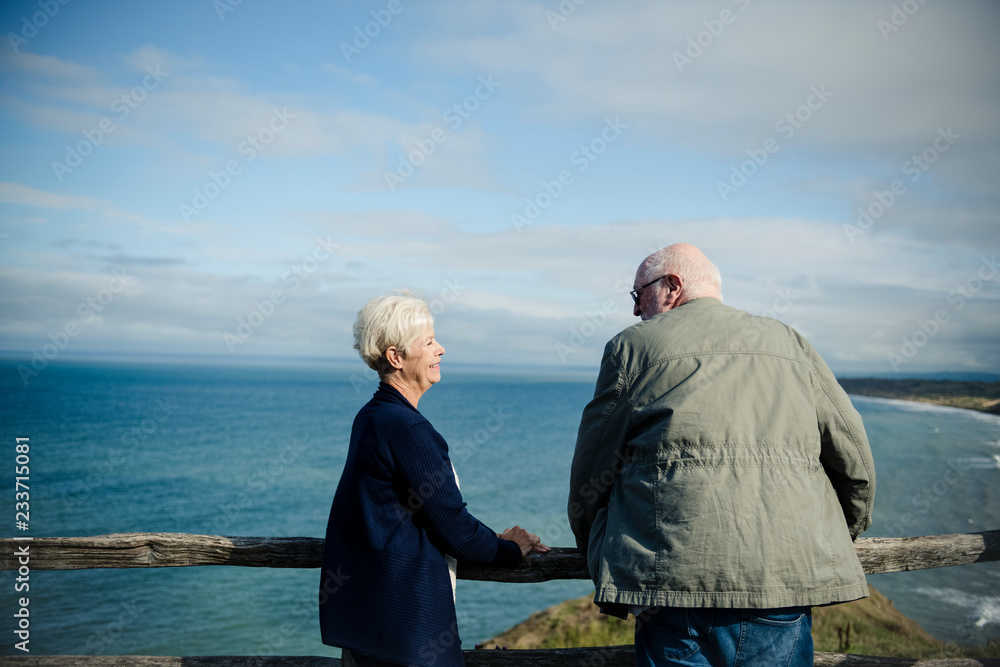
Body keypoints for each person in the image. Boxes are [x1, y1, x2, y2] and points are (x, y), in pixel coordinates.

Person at [568, 244, 875, 667]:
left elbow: (592, 468)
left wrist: (594, 546)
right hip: (780, 575)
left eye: (638, 294)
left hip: (672, 583)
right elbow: (852, 453)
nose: (636, 310)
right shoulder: (788, 341)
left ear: (672, 286)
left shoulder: (632, 347)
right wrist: (840, 533)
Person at [320, 291, 548, 667]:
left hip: (371, 622)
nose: (441, 349)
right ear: (396, 357)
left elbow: (410, 513)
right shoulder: (408, 429)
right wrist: (510, 548)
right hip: (408, 630)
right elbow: (455, 531)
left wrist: (490, 535)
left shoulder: (371, 416)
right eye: (428, 342)